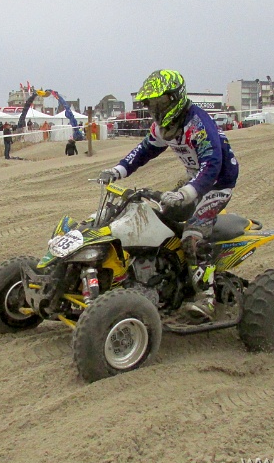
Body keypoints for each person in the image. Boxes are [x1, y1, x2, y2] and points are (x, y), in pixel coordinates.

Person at [98, 70, 239, 320]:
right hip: (194, 179)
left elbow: (212, 164)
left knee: (193, 234)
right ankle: (168, 275)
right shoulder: (164, 127)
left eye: (160, 102)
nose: (155, 108)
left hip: (217, 183)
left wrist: (187, 192)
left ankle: (206, 297)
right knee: (160, 221)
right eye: (151, 103)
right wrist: (117, 171)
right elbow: (143, 151)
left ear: (175, 98)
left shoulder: (198, 124)